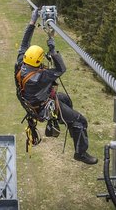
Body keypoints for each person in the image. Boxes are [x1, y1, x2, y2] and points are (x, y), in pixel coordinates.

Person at [14, 9, 98, 165]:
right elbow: (61, 69)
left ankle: (68, 123)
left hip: (32, 103)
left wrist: (32, 22)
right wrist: (52, 51)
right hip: (43, 107)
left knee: (65, 99)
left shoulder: (20, 63)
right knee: (81, 121)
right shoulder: (39, 77)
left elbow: (24, 42)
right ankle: (80, 152)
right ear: (39, 61)